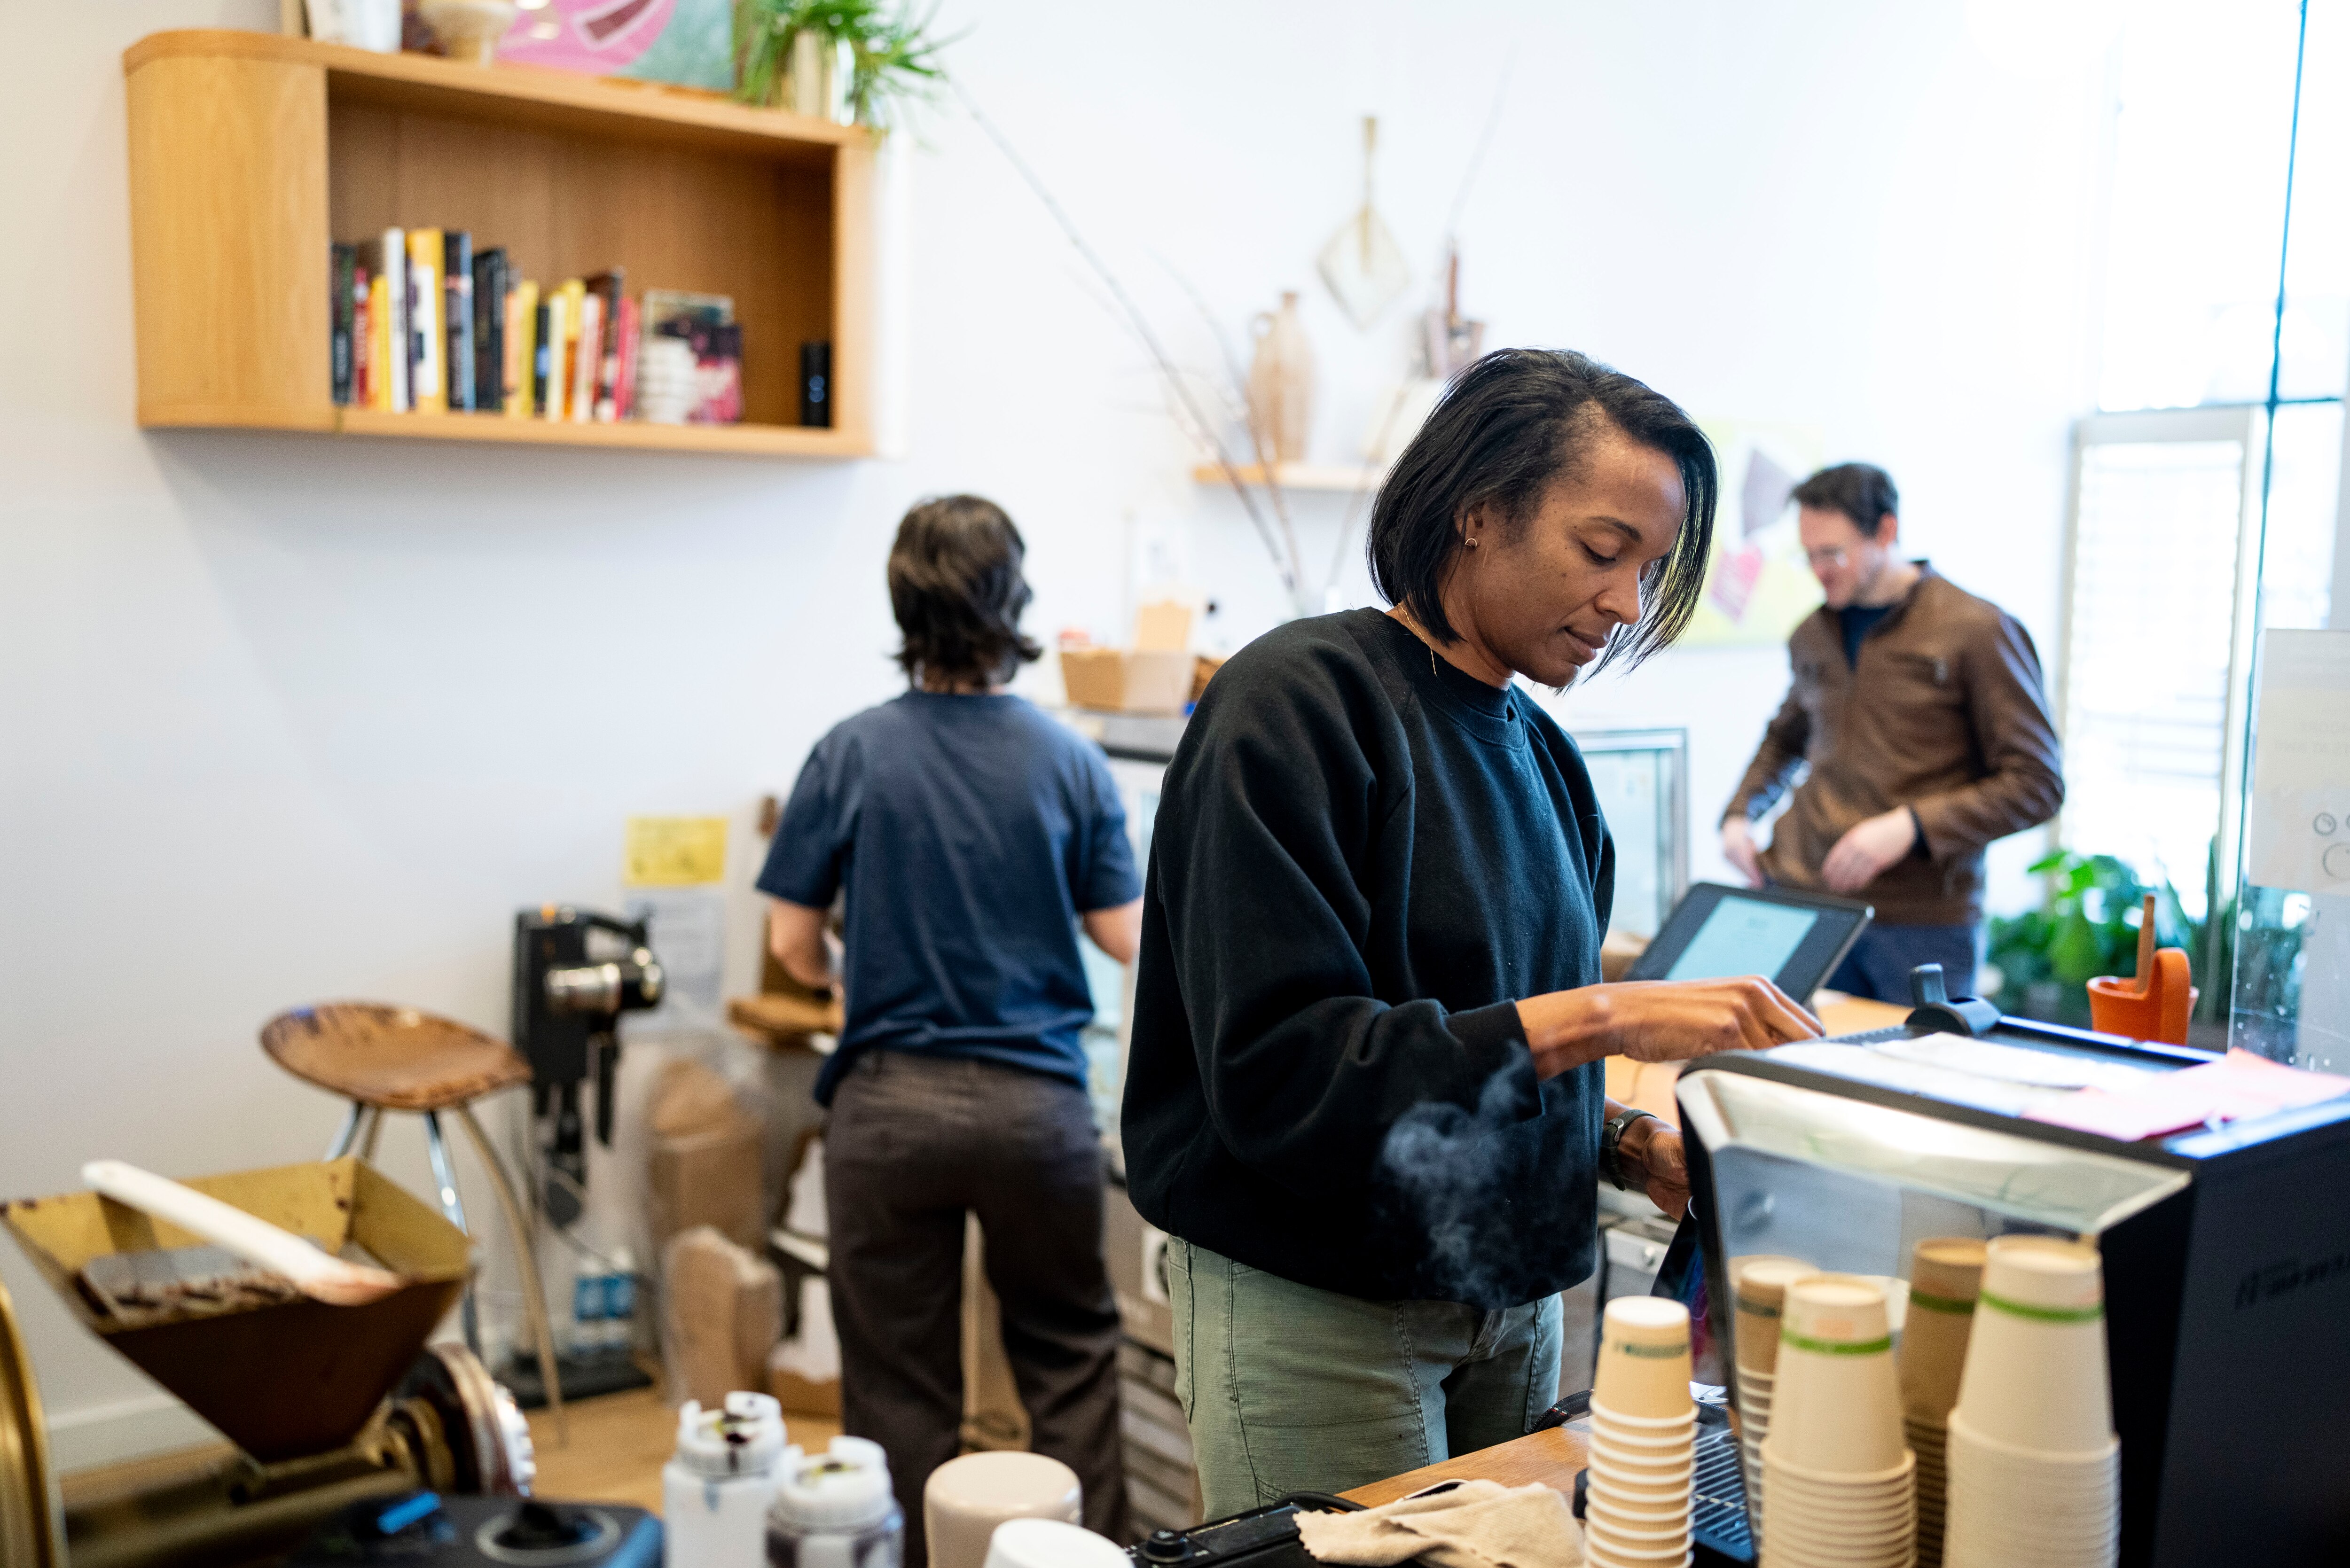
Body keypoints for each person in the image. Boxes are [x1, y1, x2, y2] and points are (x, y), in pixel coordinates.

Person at [1121, 349, 1826, 1516]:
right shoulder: (1297, 703)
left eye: (1649, 572)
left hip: (1520, 1303)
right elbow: (1289, 1073)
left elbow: (1479, 1052)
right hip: (1325, 1302)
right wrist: (1613, 1010)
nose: (1624, 605)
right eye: (1602, 553)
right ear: (1479, 508)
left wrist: (1613, 1146)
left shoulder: (1547, 763)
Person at [757, 496, 1142, 1565]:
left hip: (887, 1106)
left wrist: (854, 976)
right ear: (1011, 599)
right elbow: (1128, 937)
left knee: (897, 1382)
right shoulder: (1068, 762)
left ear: (903, 601)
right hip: (1039, 1110)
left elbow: (790, 941)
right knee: (1066, 1358)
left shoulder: (849, 750)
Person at [1720, 463, 2064, 1001]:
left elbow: (2036, 783)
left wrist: (1910, 827)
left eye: (1832, 553)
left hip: (1919, 922)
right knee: (1787, 1078)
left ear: (1885, 531)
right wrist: (1740, 813)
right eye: (1806, 555)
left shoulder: (1977, 630)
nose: (1818, 571)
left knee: (1912, 1082)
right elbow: (1786, 737)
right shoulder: (1811, 633)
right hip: (1801, 901)